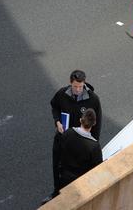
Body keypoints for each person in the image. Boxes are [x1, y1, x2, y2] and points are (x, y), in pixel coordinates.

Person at [43, 70, 102, 204]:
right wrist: (57, 121)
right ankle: (56, 192)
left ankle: (74, 199)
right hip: (62, 138)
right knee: (57, 166)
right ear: (70, 83)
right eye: (75, 86)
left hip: (80, 144)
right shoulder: (62, 94)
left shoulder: (93, 99)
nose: (78, 90)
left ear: (84, 83)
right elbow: (54, 106)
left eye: (80, 87)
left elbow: (96, 125)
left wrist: (92, 145)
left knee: (75, 172)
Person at [59, 108, 103, 189]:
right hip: (80, 184)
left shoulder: (68, 133)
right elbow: (97, 169)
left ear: (80, 120)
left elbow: (60, 150)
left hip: (64, 176)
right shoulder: (95, 146)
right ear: (94, 123)